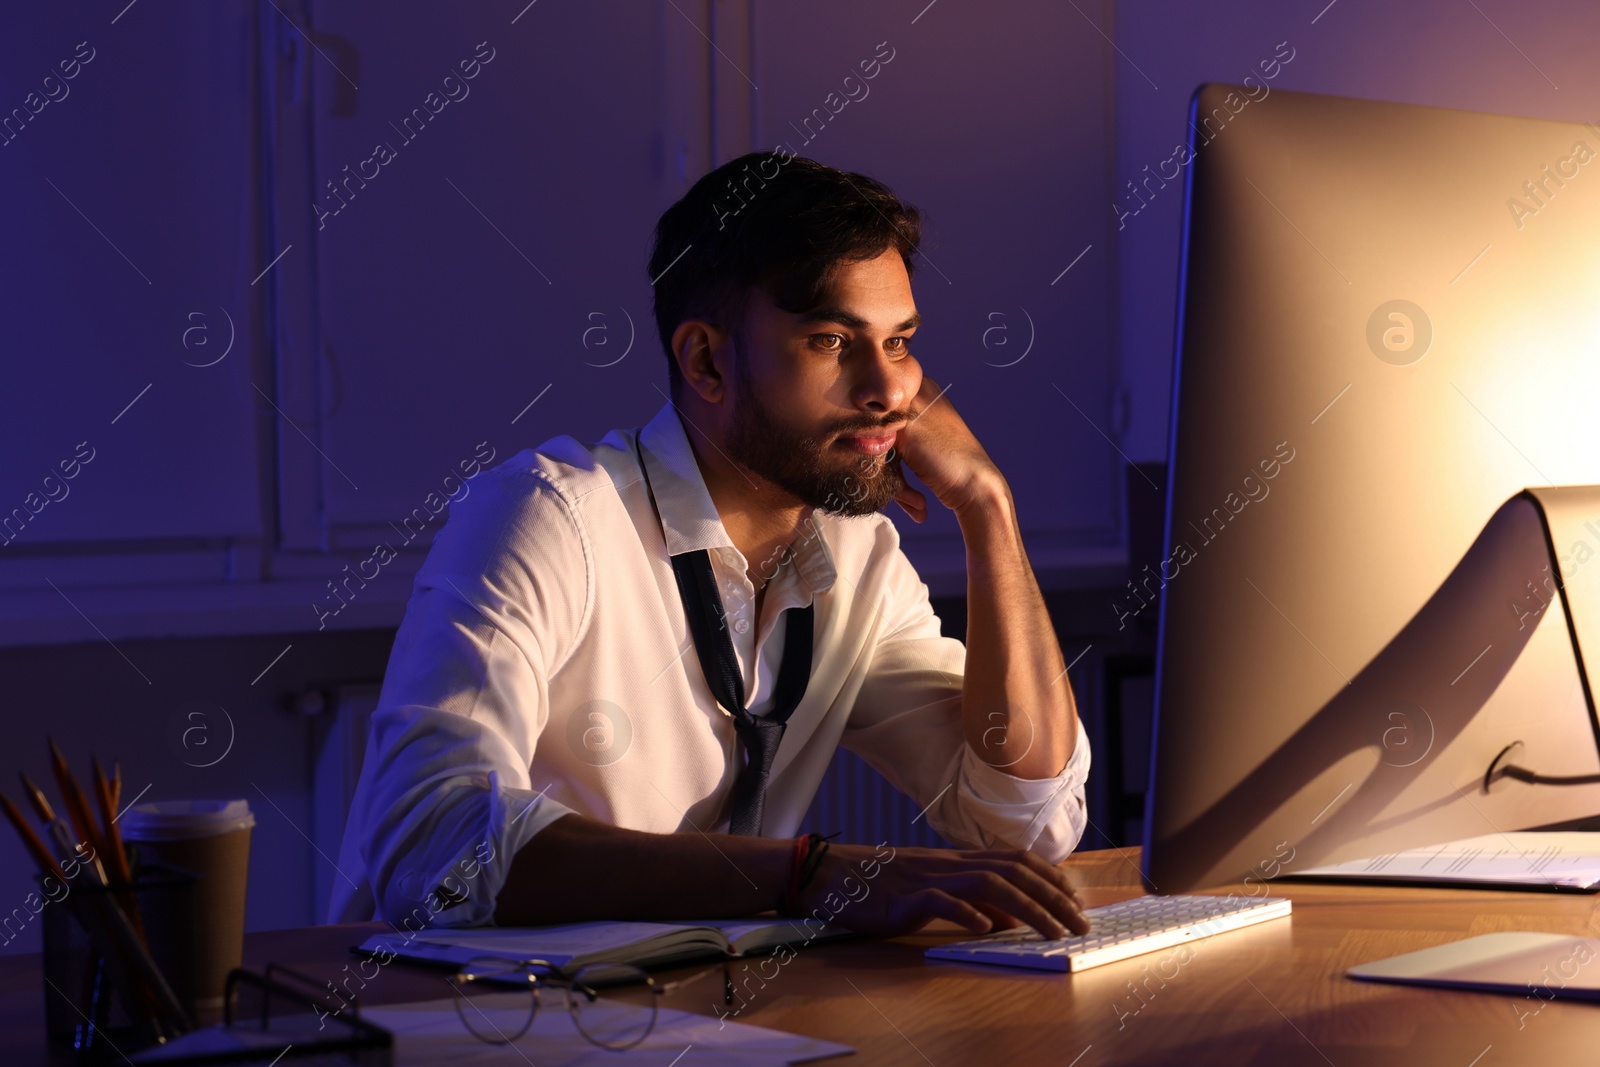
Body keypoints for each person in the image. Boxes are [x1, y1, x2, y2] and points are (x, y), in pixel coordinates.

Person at [330, 151, 1093, 941]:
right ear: (706, 360)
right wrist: (806, 873)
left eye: (900, 342)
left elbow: (1027, 823)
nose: (891, 390)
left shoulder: (857, 554)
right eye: (833, 340)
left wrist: (986, 506)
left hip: (679, 1020)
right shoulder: (547, 516)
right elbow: (432, 848)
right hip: (450, 1024)